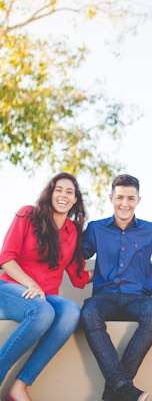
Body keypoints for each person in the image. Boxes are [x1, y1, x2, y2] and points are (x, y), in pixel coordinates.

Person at [0, 172, 92, 401]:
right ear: (50, 193)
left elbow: (78, 277)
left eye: (69, 192)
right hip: (11, 288)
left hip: (44, 297)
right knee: (42, 312)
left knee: (71, 311)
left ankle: (19, 386)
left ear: (75, 200)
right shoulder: (27, 215)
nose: (63, 195)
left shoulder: (72, 232)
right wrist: (31, 284)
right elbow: (6, 258)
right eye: (58, 189)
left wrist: (116, 271)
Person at [80, 174, 152, 401]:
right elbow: (74, 256)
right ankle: (123, 387)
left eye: (130, 198)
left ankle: (116, 388)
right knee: (88, 312)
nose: (124, 203)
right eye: (119, 197)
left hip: (138, 299)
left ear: (139, 200)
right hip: (104, 297)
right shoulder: (96, 229)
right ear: (111, 198)